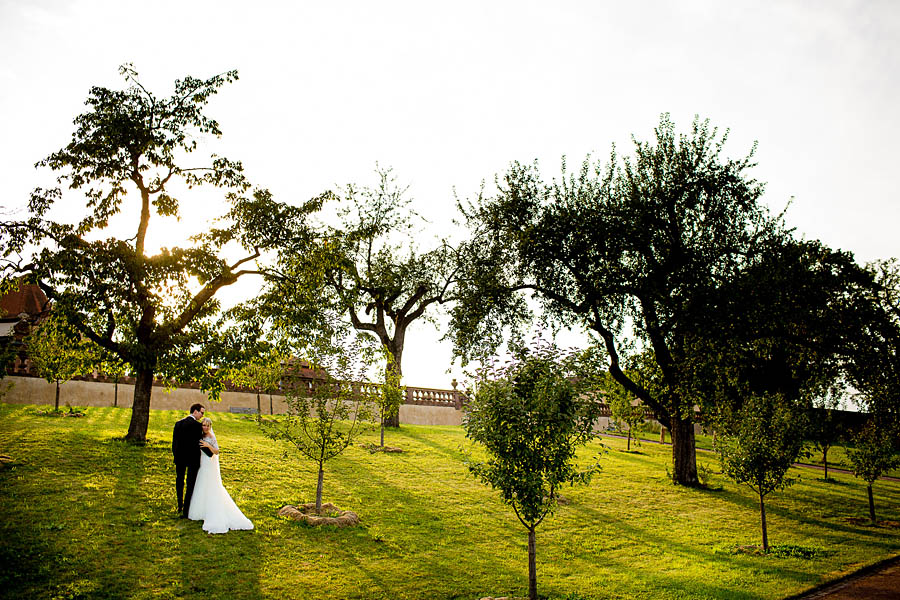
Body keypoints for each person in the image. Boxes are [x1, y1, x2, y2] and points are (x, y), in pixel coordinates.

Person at [188, 417, 254, 534]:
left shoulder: (211, 437)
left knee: (210, 484)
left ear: (210, 427)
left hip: (209, 463)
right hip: (201, 462)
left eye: (207, 426)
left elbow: (217, 451)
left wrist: (208, 446)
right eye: (203, 425)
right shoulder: (200, 435)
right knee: (201, 484)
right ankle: (199, 510)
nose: (205, 427)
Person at [172, 403, 211, 518]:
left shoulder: (178, 424)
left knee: (179, 480)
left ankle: (180, 505)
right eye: (201, 412)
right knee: (190, 484)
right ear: (195, 411)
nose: (202, 415)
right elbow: (200, 443)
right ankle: (186, 510)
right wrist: (210, 453)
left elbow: (174, 443)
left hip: (179, 458)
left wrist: (176, 456)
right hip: (192, 460)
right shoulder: (197, 426)